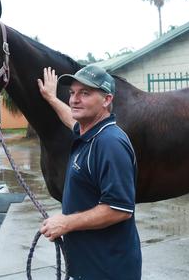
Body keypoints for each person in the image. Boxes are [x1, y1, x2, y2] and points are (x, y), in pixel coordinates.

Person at [37, 65, 142, 280]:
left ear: (106, 100)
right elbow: (72, 119)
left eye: (85, 93)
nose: (75, 100)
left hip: (108, 270)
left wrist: (65, 223)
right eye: (72, 93)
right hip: (90, 266)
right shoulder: (89, 132)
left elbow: (119, 209)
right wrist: (51, 98)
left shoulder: (109, 143)